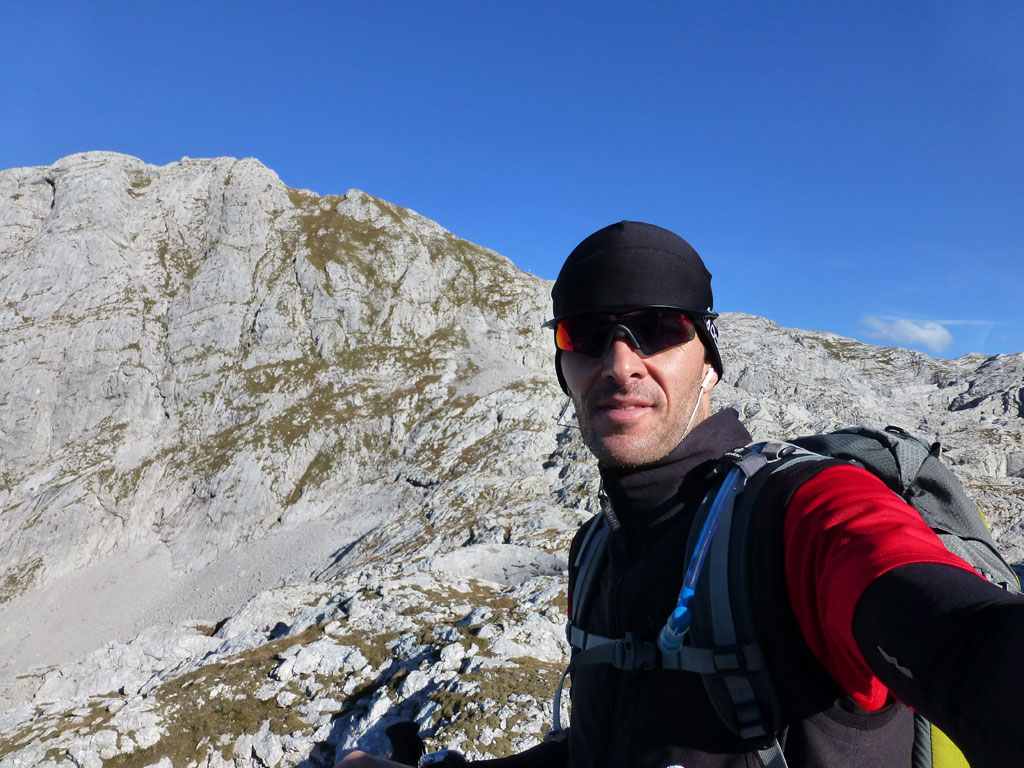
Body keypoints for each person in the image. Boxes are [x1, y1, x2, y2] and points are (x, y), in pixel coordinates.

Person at [340, 221, 1024, 768]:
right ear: (564, 367)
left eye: (660, 329)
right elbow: (604, 748)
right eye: (586, 334)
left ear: (710, 364)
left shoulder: (804, 507)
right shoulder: (597, 549)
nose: (620, 363)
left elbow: (960, 639)